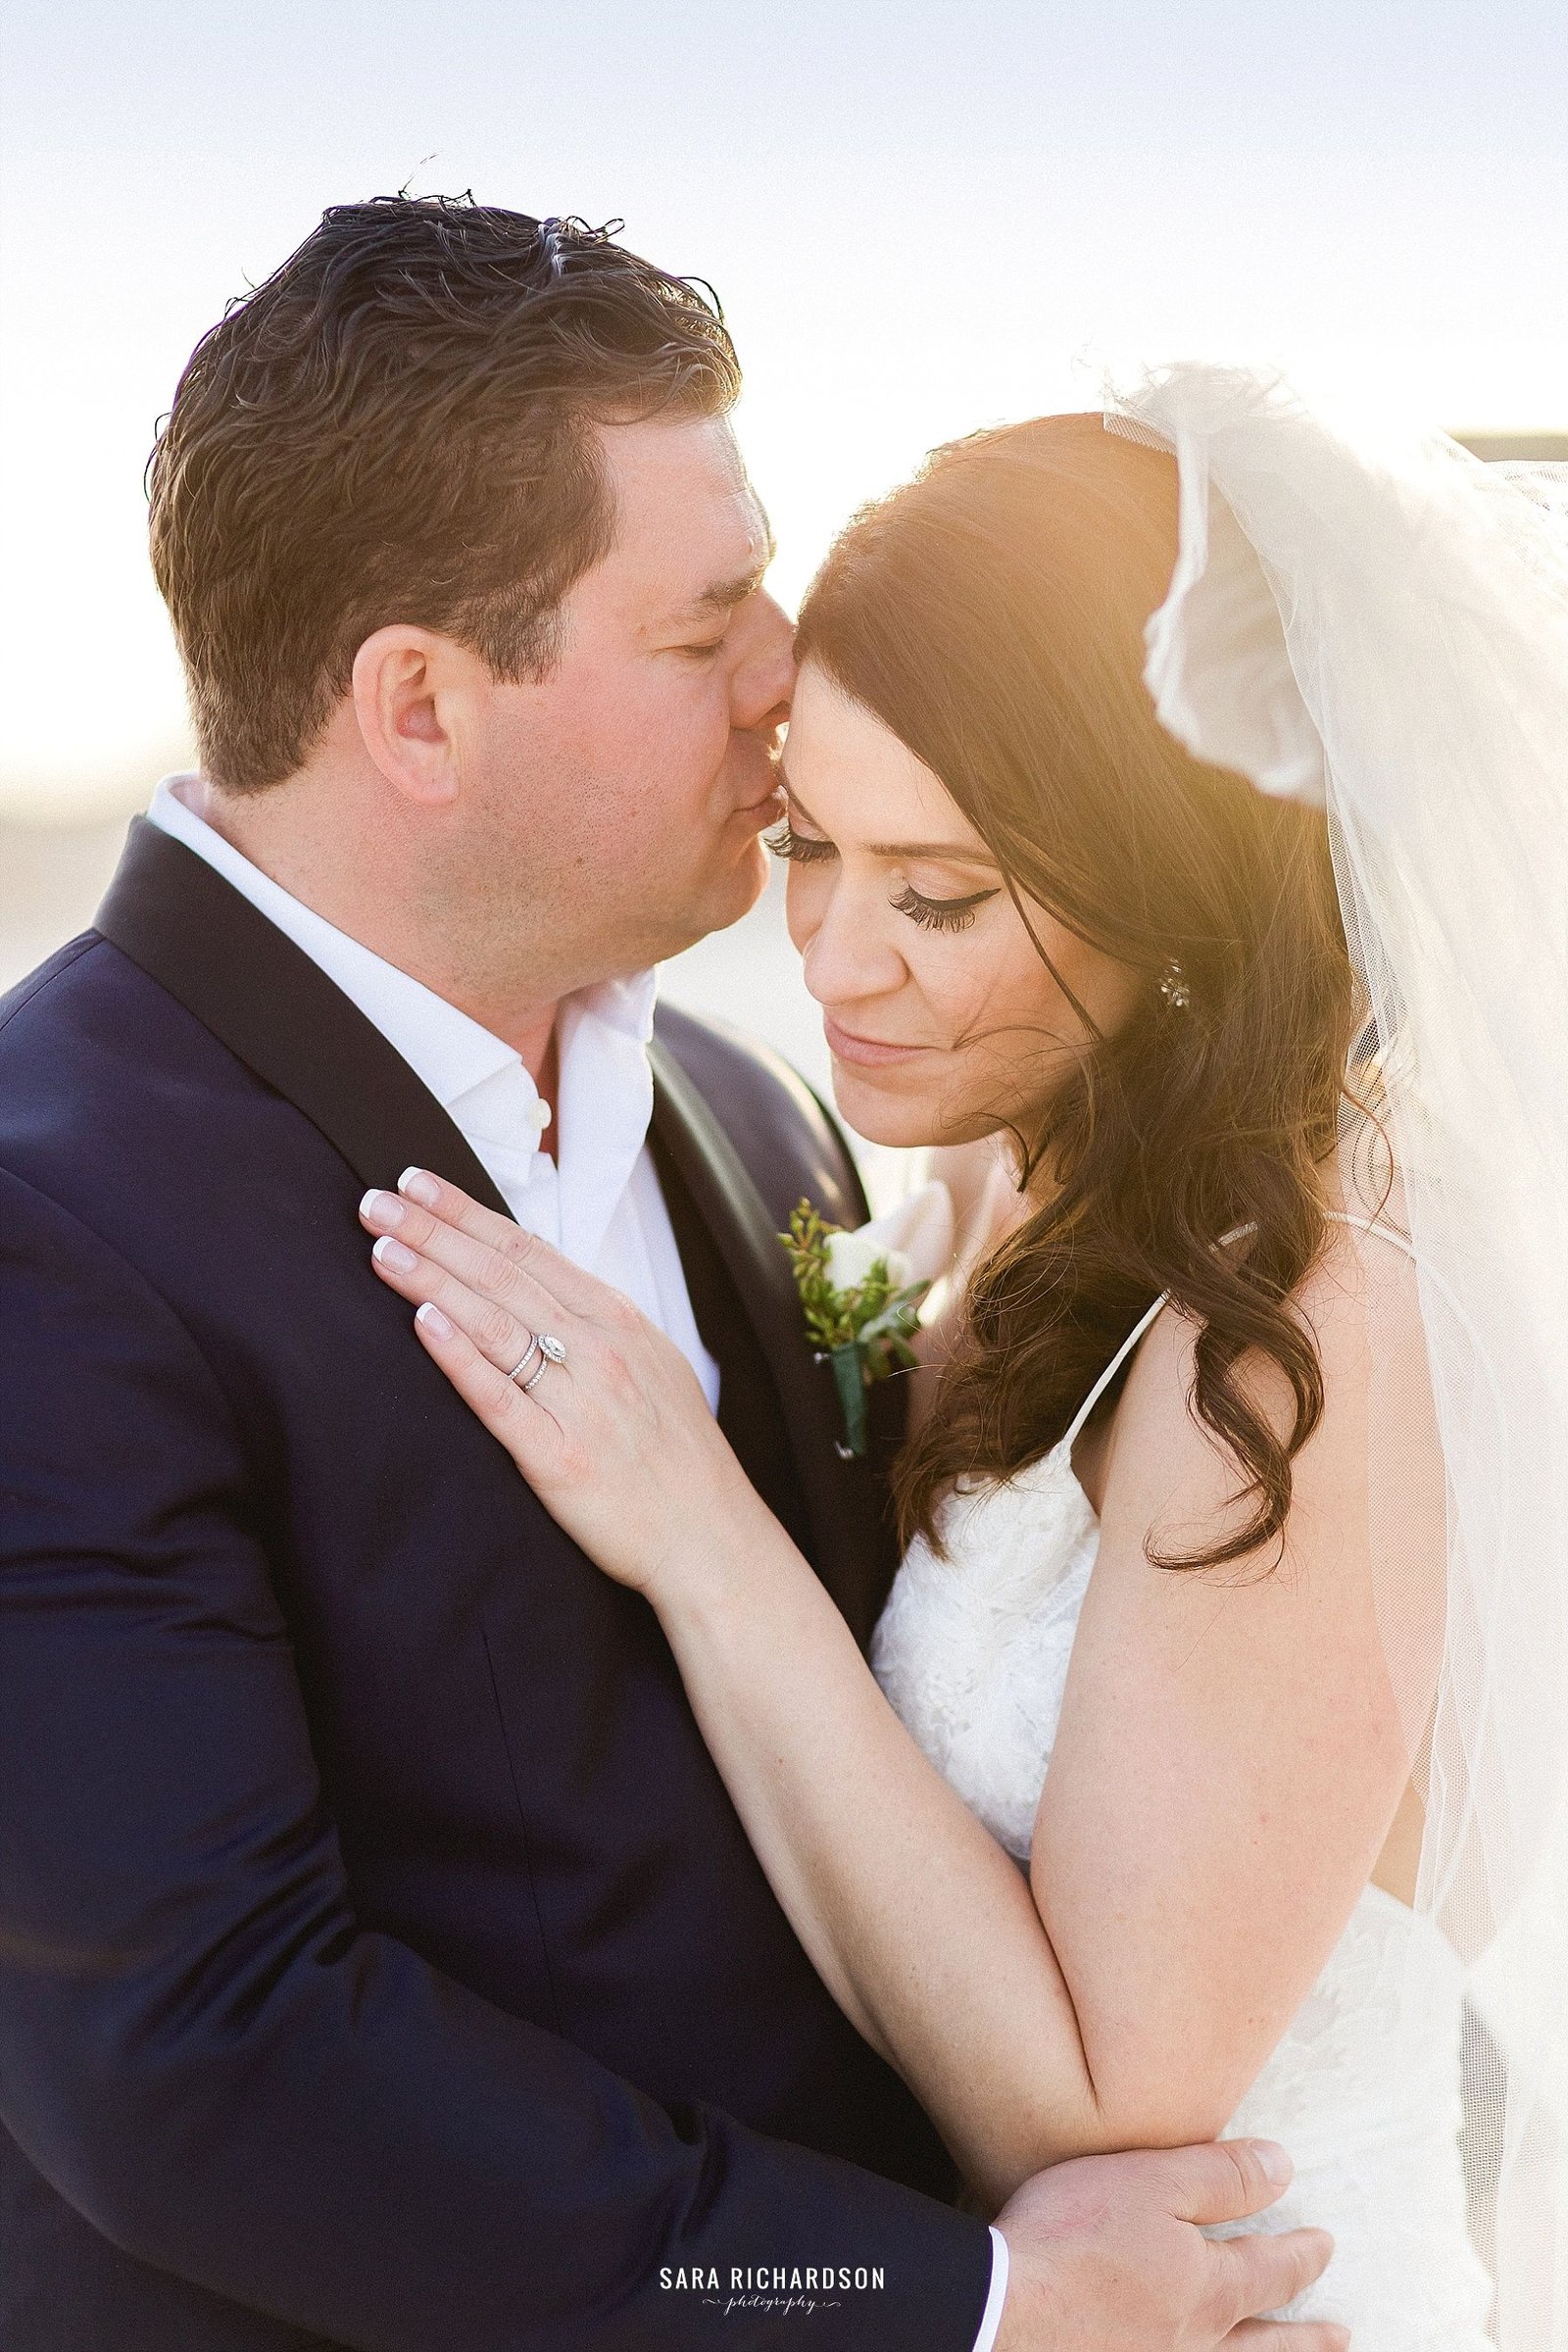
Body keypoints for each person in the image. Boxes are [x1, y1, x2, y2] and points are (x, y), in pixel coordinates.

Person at [0, 202, 1339, 2351]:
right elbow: (205, 2062)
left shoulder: (755, 1105)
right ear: (421, 708)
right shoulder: (50, 1222)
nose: (784, 676)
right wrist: (944, 2300)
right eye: (704, 619)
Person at [359, 374, 1568, 2344]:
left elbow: (1101, 2104)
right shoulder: (983, 1196)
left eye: (935, 897)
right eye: (808, 845)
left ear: (1170, 899)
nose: (830, 962)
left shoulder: (1304, 1307)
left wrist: (696, 1527)